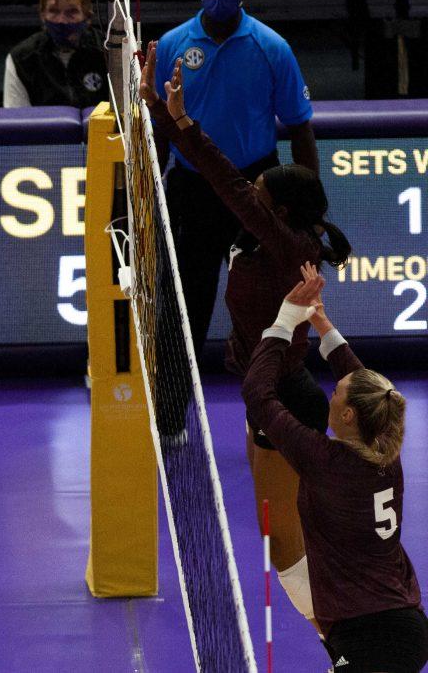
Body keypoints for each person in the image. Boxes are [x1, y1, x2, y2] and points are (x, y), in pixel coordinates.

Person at [142, 41, 351, 635]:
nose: (247, 197)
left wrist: (179, 120)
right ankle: (335, 616)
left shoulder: (287, 244)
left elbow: (227, 181)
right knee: (290, 528)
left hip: (285, 398)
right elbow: (230, 184)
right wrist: (171, 116)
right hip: (274, 388)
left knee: (284, 538)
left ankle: (335, 632)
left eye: (260, 197)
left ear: (278, 209)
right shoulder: (271, 238)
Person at [243, 263, 427, 672]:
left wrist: (285, 320)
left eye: (337, 393)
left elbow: (257, 394)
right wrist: (322, 324)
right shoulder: (387, 450)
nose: (332, 391)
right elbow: (362, 382)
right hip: (406, 626)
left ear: (347, 417)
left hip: (367, 637)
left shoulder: (324, 460)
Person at [154, 0, 317, 360]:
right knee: (183, 304)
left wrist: (308, 210)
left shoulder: (272, 47)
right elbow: (159, 129)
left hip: (257, 189)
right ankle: (171, 418)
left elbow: (299, 128)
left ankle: (268, 412)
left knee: (266, 307)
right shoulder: (172, 45)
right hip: (192, 190)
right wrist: (146, 195)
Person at [3, 0, 108, 109]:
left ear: (87, 17)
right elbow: (16, 120)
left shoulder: (109, 52)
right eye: (54, 11)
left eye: (71, 12)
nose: (61, 21)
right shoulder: (21, 59)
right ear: (42, 15)